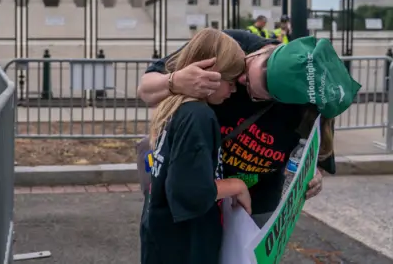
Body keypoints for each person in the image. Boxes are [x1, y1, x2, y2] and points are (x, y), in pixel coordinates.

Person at [137, 29, 360, 227]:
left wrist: (314, 177)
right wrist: (174, 81)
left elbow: (317, 158)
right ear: (264, 52)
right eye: (246, 68)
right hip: (202, 187)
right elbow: (145, 90)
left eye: (249, 88)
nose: (240, 79)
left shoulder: (307, 105)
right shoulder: (231, 45)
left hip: (256, 203)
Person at [140, 28, 252, 264]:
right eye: (231, 81)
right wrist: (237, 185)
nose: (234, 90)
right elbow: (191, 193)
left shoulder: (173, 107)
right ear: (209, 74)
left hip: (162, 239)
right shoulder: (198, 116)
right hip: (187, 246)